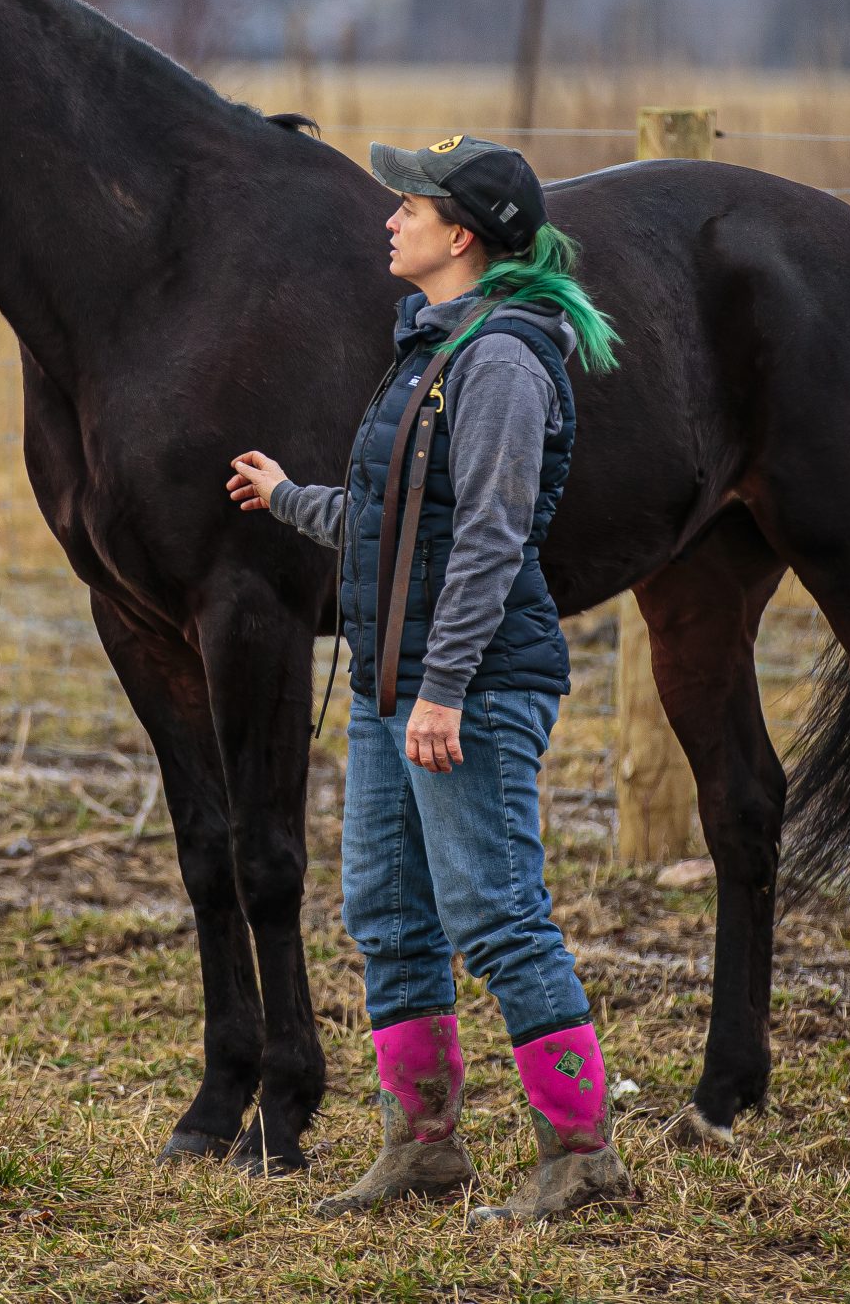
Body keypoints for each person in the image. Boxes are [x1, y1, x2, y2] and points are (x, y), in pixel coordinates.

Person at [226, 134, 631, 1223]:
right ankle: (424, 1147)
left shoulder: (499, 361)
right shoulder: (430, 348)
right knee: (388, 915)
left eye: (410, 205)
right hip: (389, 679)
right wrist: (288, 499)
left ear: (464, 235)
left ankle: (582, 1153)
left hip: (473, 682)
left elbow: (492, 542)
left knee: (494, 913)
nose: (389, 218)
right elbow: (394, 520)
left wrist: (444, 689)